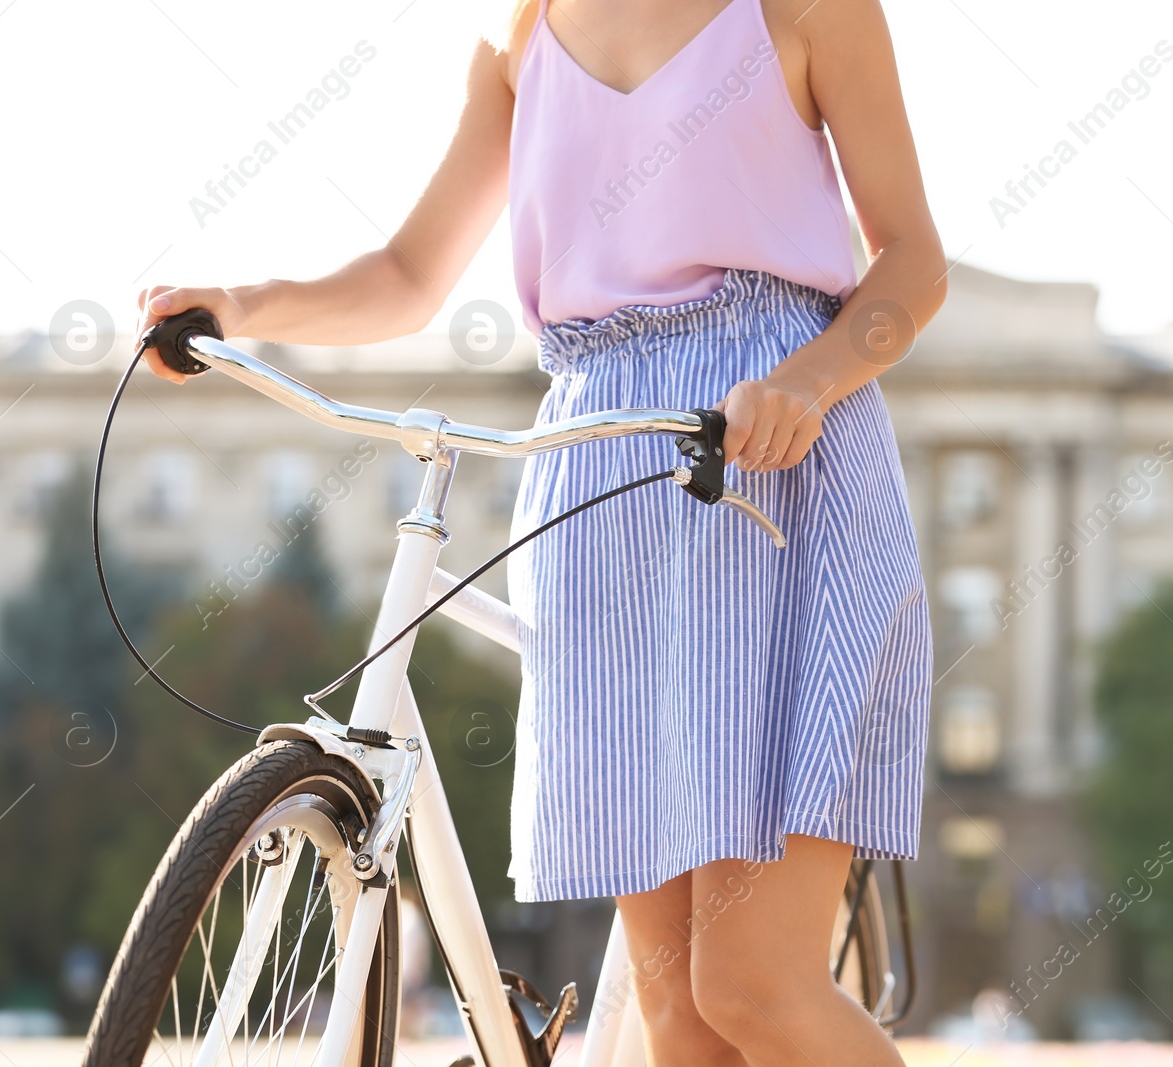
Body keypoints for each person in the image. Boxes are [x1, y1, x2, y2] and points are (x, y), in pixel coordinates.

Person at [137, 0, 944, 1061]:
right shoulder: (515, 37)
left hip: (765, 471)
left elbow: (912, 265)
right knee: (678, 1017)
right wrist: (236, 304)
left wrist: (810, 378)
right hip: (595, 472)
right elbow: (407, 276)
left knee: (751, 983)